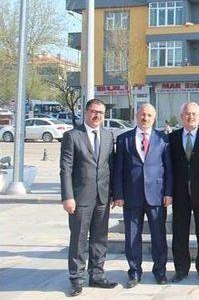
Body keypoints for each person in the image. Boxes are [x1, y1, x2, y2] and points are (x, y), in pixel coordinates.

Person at [60, 98, 117, 297]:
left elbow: (111, 167)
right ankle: (76, 279)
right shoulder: (72, 136)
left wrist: (114, 194)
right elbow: (65, 169)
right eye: (94, 111)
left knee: (100, 238)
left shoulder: (109, 136)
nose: (97, 116)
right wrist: (68, 196)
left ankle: (97, 275)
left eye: (101, 113)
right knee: (79, 239)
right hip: (80, 198)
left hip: (102, 196)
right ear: (86, 112)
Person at [112, 103, 173, 288]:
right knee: (131, 237)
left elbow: (169, 170)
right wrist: (118, 195)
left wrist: (169, 193)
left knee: (159, 237)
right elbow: (118, 171)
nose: (145, 118)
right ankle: (134, 272)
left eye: (149, 115)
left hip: (156, 196)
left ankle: (160, 272)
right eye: (142, 115)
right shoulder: (124, 139)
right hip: (131, 197)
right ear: (136, 116)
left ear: (154, 118)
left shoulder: (163, 139)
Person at [168, 102, 199, 283]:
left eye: (194, 114)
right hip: (179, 193)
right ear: (182, 117)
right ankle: (181, 269)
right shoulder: (172, 138)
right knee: (180, 233)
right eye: (187, 114)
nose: (191, 117)